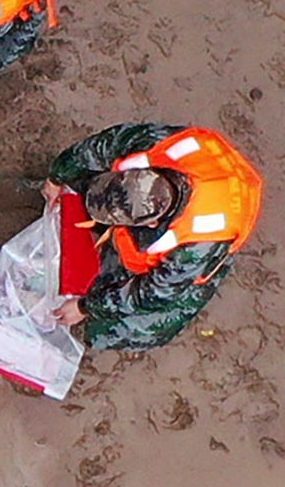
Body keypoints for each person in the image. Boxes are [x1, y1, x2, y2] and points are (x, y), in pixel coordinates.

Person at [37, 122, 261, 351]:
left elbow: (153, 293)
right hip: (211, 170)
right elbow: (98, 147)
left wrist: (86, 307)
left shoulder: (197, 246)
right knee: (80, 175)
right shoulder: (155, 143)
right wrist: (57, 176)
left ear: (151, 225)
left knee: (104, 333)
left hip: (198, 260)